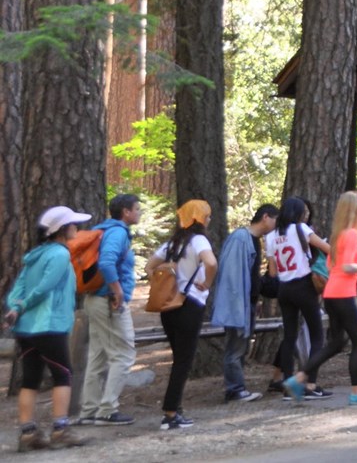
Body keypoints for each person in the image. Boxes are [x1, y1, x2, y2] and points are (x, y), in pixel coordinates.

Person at [6, 206, 93, 451]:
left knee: (31, 379)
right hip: (49, 325)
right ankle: (60, 430)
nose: (76, 227)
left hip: (26, 329)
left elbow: (17, 290)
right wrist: (22, 305)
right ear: (61, 230)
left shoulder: (34, 256)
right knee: (63, 374)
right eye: (72, 224)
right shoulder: (59, 254)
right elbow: (45, 287)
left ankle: (27, 433)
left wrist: (15, 308)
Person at [284, 191, 357, 406]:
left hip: (331, 292)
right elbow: (346, 266)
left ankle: (299, 378)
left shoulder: (338, 235)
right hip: (344, 292)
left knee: (337, 342)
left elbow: (331, 265)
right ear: (354, 210)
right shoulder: (351, 235)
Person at [150, 200, 220, 429]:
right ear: (199, 219)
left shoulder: (173, 243)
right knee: (183, 361)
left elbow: (149, 266)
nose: (209, 220)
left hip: (169, 306)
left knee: (179, 358)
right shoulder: (199, 240)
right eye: (207, 216)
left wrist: (165, 281)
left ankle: (175, 409)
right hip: (190, 305)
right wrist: (206, 284)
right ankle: (170, 414)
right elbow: (211, 262)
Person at [78, 193, 141, 426]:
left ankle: (89, 410)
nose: (139, 212)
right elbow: (106, 262)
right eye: (137, 209)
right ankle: (107, 410)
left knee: (98, 355)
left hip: (95, 299)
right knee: (124, 354)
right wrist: (117, 291)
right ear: (126, 212)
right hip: (108, 301)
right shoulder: (117, 232)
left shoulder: (103, 229)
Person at [265, 197, 333, 400]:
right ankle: (310, 383)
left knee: (290, 336)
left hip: (284, 289)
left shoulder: (271, 236)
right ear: (297, 213)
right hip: (303, 285)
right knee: (317, 335)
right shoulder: (301, 229)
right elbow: (326, 248)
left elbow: (272, 271)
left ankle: (287, 385)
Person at [212, 203, 278, 403]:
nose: (276, 225)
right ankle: (234, 389)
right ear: (266, 217)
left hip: (246, 303)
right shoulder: (241, 238)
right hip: (237, 304)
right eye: (275, 220)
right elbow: (233, 276)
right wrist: (238, 303)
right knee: (235, 346)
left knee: (240, 346)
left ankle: (237, 387)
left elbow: (251, 274)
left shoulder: (254, 241)